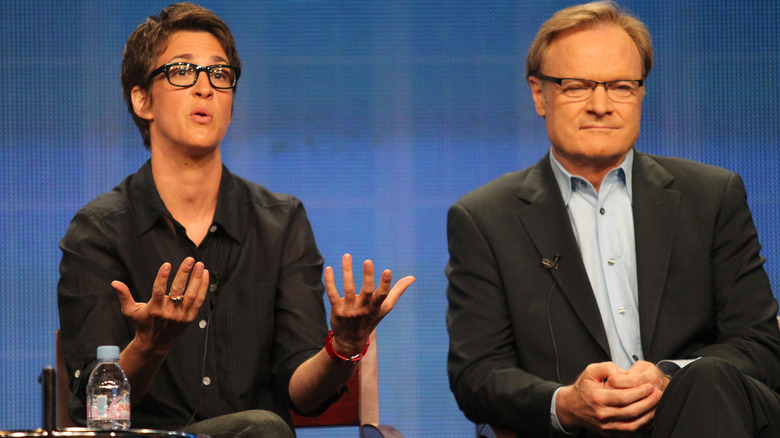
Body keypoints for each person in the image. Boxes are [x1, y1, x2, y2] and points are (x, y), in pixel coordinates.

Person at [57, 3, 414, 437]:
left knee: (262, 427)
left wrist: (343, 348)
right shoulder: (99, 231)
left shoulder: (281, 224)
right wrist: (150, 345)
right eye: (183, 71)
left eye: (220, 74)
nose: (205, 87)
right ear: (142, 99)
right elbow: (91, 408)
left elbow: (302, 392)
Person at [445, 1, 780, 437]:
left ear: (641, 93)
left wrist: (669, 377)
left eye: (621, 86)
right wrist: (563, 403)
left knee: (708, 378)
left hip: (710, 417)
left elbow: (761, 345)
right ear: (538, 93)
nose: (601, 105)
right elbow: (477, 376)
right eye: (577, 86)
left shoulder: (712, 197)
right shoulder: (485, 219)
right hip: (581, 432)